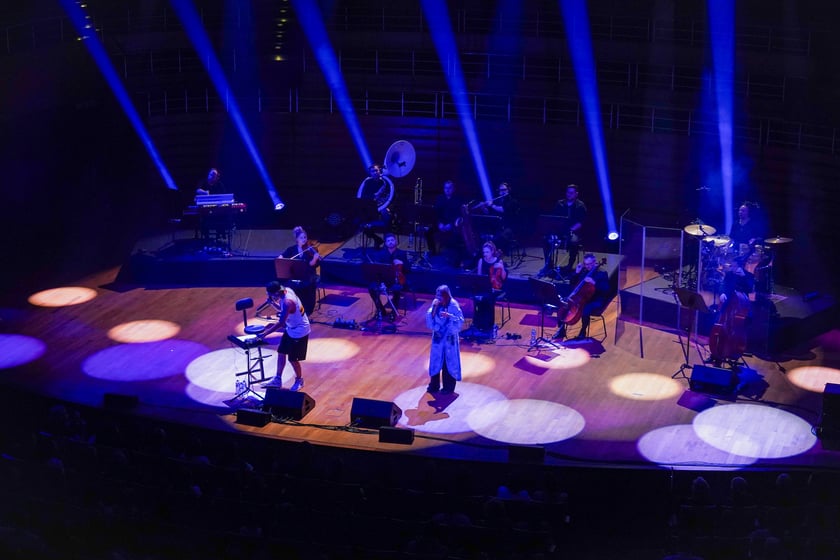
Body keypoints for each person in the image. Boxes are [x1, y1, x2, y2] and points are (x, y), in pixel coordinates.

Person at [258, 281, 311, 392]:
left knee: (293, 359)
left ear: (276, 293)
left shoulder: (288, 302)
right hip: (291, 329)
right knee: (281, 352)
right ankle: (277, 379)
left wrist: (265, 333)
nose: (270, 296)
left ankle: (299, 380)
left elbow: (281, 322)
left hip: (299, 332)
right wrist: (273, 303)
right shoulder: (287, 290)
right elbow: (284, 311)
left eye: (270, 294)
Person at [553, 253, 609, 340]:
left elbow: (606, 289)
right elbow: (572, 282)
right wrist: (576, 272)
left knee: (585, 310)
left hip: (595, 299)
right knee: (562, 304)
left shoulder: (602, 273)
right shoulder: (584, 272)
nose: (588, 266)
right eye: (586, 264)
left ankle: (583, 331)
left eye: (590, 264)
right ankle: (561, 330)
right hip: (581, 298)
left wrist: (594, 282)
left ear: (594, 262)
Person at [540, 184, 587, 277]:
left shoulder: (580, 206)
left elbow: (581, 222)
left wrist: (570, 230)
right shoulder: (560, 203)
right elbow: (554, 219)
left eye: (571, 193)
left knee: (574, 241)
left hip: (573, 231)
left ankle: (569, 265)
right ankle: (549, 265)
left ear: (576, 194)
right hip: (559, 231)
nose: (569, 194)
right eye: (568, 192)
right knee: (545, 240)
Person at [425, 284, 464, 394]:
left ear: (446, 295)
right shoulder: (435, 304)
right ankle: (434, 385)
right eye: (437, 295)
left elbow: (460, 321)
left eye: (440, 295)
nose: (438, 298)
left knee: (448, 362)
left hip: (449, 339)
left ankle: (448, 387)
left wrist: (449, 316)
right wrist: (436, 324)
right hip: (438, 339)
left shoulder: (453, 305)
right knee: (436, 361)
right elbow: (429, 320)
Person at [367, 232, 411, 321]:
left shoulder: (401, 253)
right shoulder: (380, 254)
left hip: (397, 279)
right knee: (372, 288)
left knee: (397, 289)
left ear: (396, 241)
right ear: (385, 243)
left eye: (392, 240)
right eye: (388, 241)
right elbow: (377, 270)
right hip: (383, 280)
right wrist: (381, 282)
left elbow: (408, 269)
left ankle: (393, 312)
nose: (390, 242)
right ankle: (380, 309)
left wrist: (402, 263)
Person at [281, 226, 322, 316]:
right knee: (290, 284)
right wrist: (280, 259)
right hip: (296, 275)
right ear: (297, 239)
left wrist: (315, 258)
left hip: (308, 275)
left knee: (307, 284)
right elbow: (281, 257)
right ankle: (294, 308)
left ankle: (306, 311)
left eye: (305, 237)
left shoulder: (311, 249)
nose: (304, 239)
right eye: (301, 238)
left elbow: (311, 264)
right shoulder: (291, 249)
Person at [472, 241, 507, 334]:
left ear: (492, 251)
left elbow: (503, 278)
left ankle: (488, 325)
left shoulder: (499, 261)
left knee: (488, 298)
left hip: (496, 287)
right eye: (484, 252)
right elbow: (479, 277)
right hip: (484, 286)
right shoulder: (481, 261)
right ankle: (478, 323)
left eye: (487, 252)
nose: (485, 254)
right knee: (478, 298)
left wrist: (502, 267)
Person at [473, 182, 520, 253]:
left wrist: (491, 205)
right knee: (483, 236)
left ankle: (499, 254)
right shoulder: (497, 201)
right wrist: (483, 208)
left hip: (510, 227)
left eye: (504, 190)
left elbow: (503, 210)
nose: (502, 192)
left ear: (508, 190)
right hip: (499, 227)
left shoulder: (512, 201)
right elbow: (489, 213)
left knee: (497, 239)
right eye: (501, 190)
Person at [358, 163, 392, 249]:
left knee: (386, 217)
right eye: (373, 171)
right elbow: (363, 196)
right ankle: (377, 239)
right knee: (361, 222)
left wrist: (386, 205)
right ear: (370, 173)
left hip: (383, 206)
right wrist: (375, 195)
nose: (375, 172)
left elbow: (390, 196)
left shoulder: (385, 182)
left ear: (380, 171)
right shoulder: (367, 182)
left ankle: (387, 244)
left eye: (376, 170)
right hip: (371, 206)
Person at [433, 180, 466, 266]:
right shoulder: (440, 198)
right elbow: (437, 213)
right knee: (430, 232)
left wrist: (451, 225)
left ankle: (455, 259)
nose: (447, 190)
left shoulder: (458, 199)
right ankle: (435, 256)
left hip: (453, 225)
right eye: (446, 188)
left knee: (456, 236)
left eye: (449, 188)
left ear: (453, 189)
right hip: (441, 224)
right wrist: (440, 223)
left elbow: (459, 215)